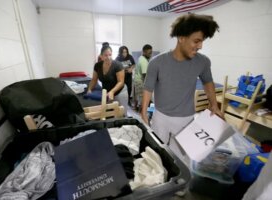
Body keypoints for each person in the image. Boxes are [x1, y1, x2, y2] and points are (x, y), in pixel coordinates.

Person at [141, 13, 223, 164]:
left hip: (186, 120)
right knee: (157, 155)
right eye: (196, 41)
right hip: (161, 118)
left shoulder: (203, 62)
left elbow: (208, 82)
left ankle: (179, 186)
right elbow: (148, 87)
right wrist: (144, 110)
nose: (200, 46)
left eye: (202, 41)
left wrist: (214, 104)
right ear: (181, 38)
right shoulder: (157, 62)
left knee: (182, 160)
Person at [88, 44, 128, 113]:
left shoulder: (118, 65)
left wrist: (112, 91)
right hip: (107, 93)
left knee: (121, 113)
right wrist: (89, 89)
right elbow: (94, 80)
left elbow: (121, 82)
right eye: (106, 55)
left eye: (110, 55)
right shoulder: (97, 66)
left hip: (120, 92)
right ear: (101, 56)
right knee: (110, 113)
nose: (108, 57)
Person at [134, 44, 153, 111]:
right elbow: (145, 75)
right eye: (149, 53)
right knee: (144, 100)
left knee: (140, 99)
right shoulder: (144, 61)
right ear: (144, 52)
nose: (150, 55)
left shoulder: (140, 58)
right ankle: (142, 114)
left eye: (151, 53)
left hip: (137, 80)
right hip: (141, 82)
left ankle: (139, 111)